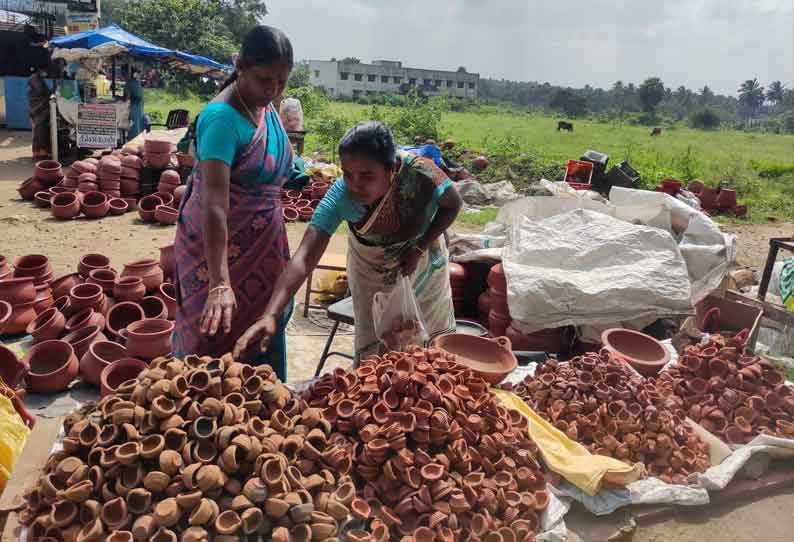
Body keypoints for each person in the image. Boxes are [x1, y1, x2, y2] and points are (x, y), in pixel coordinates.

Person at [234, 120, 463, 361]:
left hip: (422, 267)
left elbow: (453, 203)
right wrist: (271, 313)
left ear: (391, 169)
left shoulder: (420, 172)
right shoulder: (341, 196)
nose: (355, 184)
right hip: (371, 273)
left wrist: (419, 247)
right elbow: (304, 257)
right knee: (378, 352)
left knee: (428, 355)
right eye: (347, 174)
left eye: (366, 175)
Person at [172, 25, 294, 381]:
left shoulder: (264, 109)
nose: (272, 91)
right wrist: (219, 282)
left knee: (260, 336)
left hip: (263, 254)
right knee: (211, 340)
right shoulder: (223, 118)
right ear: (239, 66)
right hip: (217, 255)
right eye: (263, 79)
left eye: (281, 82)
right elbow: (214, 204)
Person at [27, 66, 51, 161]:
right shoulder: (35, 79)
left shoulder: (39, 78)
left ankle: (43, 152)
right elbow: (41, 91)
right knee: (39, 131)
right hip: (37, 109)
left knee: (42, 131)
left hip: (38, 108)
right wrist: (50, 93)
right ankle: (39, 154)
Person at [125, 67, 145, 140]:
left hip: (134, 108)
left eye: (123, 72)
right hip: (139, 108)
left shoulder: (129, 83)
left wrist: (118, 98)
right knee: (138, 127)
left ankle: (132, 142)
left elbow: (126, 98)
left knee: (133, 127)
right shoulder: (136, 82)